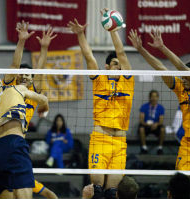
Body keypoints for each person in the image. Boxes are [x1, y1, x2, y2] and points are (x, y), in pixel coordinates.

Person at [128, 29, 190, 198]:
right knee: (180, 186)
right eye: (182, 77)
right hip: (188, 145)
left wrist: (162, 47)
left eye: (186, 77)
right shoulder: (180, 89)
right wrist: (141, 49)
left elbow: (181, 67)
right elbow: (160, 67)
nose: (183, 79)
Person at [0, 21, 58, 199]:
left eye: (28, 74)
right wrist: (21, 41)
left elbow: (39, 69)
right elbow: (14, 63)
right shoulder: (9, 87)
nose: (25, 75)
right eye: (22, 73)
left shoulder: (33, 91)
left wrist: (44, 48)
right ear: (17, 76)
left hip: (18, 144)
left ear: (33, 79)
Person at [68, 9, 135, 199]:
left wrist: (113, 29)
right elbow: (89, 56)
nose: (119, 67)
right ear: (107, 67)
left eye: (120, 64)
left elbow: (121, 52)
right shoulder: (99, 79)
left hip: (120, 142)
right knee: (97, 189)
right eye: (115, 64)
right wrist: (81, 34)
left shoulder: (127, 79)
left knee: (112, 192)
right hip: (101, 139)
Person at [0, 70, 49, 198]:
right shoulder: (17, 88)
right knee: (23, 194)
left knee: (5, 193)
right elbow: (43, 99)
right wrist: (45, 106)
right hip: (13, 143)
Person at [139, 90, 165, 154]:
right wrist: (147, 124)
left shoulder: (160, 107)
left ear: (158, 97)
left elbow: (161, 121)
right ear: (149, 97)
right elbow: (141, 120)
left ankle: (160, 148)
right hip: (146, 126)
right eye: (152, 96)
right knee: (141, 128)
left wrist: (156, 124)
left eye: (155, 96)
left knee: (162, 129)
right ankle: (144, 148)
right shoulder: (144, 106)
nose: (154, 98)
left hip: (156, 126)